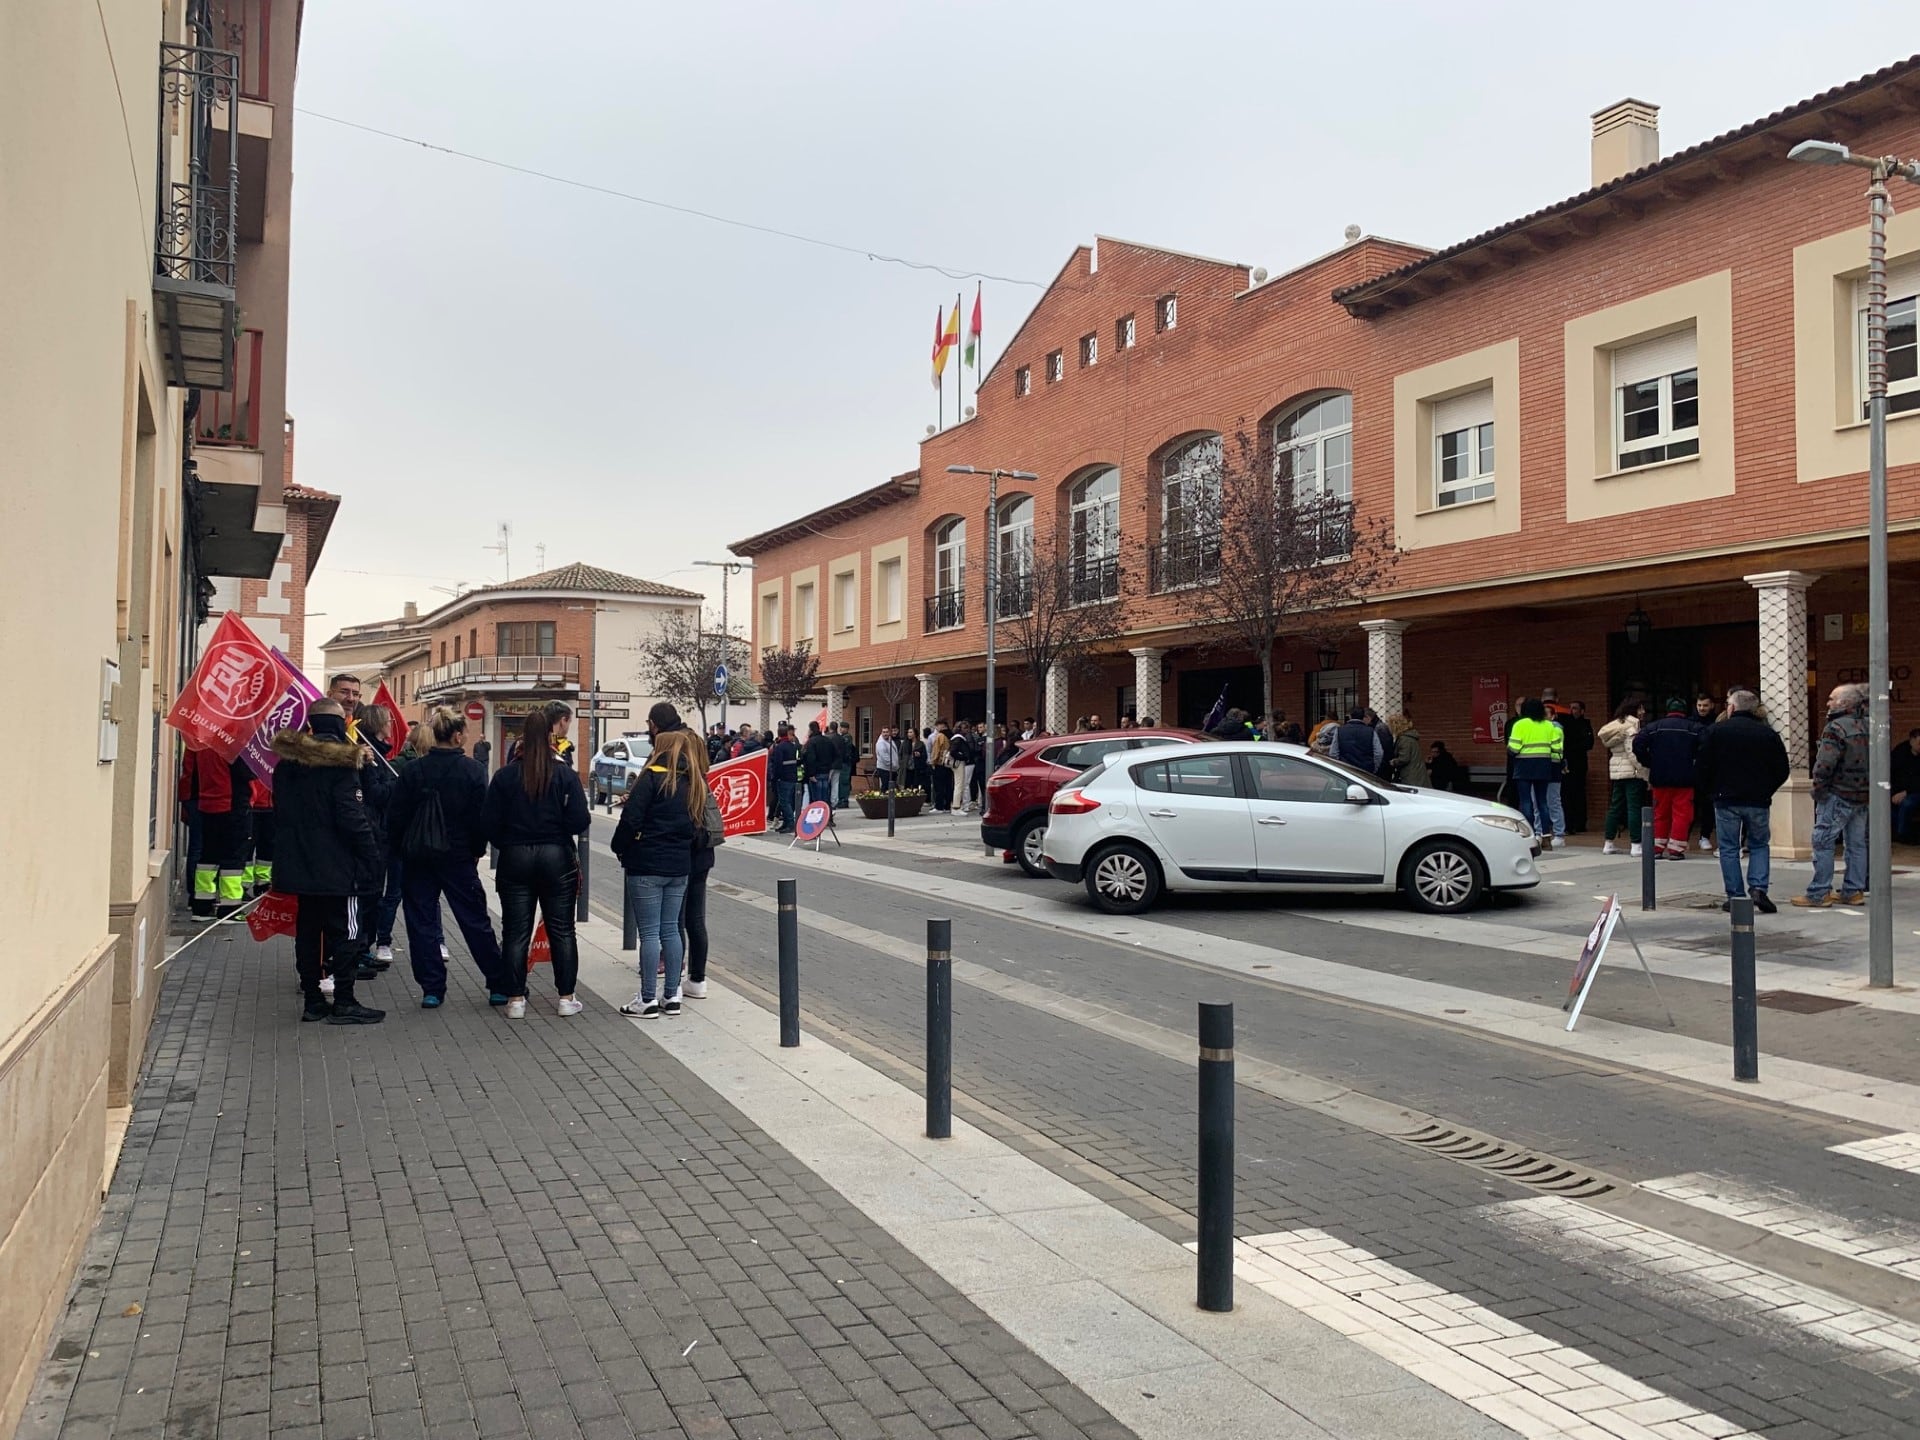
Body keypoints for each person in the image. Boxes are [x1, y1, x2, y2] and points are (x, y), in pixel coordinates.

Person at [271, 700, 384, 1025]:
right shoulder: (342, 764)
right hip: (340, 867)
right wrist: (371, 854)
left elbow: (280, 811)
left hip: (300, 865)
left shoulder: (287, 765)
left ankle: (313, 1000)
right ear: (337, 725)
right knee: (348, 930)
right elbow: (351, 816)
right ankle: (345, 1000)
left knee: (308, 931)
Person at [387, 707, 506, 1007]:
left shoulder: (413, 770)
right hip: (458, 855)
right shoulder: (473, 770)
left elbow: (395, 816)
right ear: (456, 735)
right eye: (465, 732)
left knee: (421, 922)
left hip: (418, 857)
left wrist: (401, 847)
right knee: (475, 920)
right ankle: (497, 983)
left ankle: (431, 988)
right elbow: (483, 818)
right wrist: (476, 850)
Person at [481, 709, 589, 1017]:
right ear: (550, 736)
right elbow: (580, 820)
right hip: (556, 856)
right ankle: (566, 998)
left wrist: (508, 842)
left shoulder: (504, 776)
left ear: (521, 738)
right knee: (562, 930)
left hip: (515, 858)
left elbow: (488, 823)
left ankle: (515, 999)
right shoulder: (565, 775)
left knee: (515, 931)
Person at [613, 727, 704, 1018]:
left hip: (647, 864)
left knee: (650, 932)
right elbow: (697, 826)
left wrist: (620, 847)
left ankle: (648, 998)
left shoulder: (651, 778)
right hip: (680, 866)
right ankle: (672, 996)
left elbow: (631, 819)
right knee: (671, 930)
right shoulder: (693, 783)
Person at [1695, 689, 1790, 914]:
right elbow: (1782, 769)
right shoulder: (1767, 734)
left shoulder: (1716, 731)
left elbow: (1702, 766)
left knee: (1729, 848)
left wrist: (1710, 791)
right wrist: (1766, 790)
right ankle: (1758, 887)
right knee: (1759, 844)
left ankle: (1735, 895)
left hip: (1725, 798)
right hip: (1757, 799)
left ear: (1732, 707)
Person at [1794, 682, 1872, 908]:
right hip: (1863, 794)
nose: (1828, 702)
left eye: (1831, 698)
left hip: (1838, 792)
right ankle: (1853, 890)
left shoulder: (1836, 727)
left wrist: (1818, 789)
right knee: (1856, 843)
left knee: (1823, 842)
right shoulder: (1869, 725)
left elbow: (1825, 763)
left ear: (1844, 703)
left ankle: (1819, 892)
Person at [181, 746, 254, 919]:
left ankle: (202, 906)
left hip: (208, 804)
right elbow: (247, 773)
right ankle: (230, 908)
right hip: (231, 805)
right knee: (233, 857)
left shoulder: (204, 746)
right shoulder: (231, 747)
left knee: (208, 856)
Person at [356, 705, 402, 971]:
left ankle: (366, 946)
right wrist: (397, 785)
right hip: (374, 833)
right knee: (369, 894)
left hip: (380, 832)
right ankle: (361, 949)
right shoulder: (368, 755)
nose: (391, 724)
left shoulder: (379, 754)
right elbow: (375, 794)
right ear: (376, 724)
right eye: (388, 720)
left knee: (375, 895)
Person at [1632, 698, 1704, 860]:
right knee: (1682, 813)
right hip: (1685, 778)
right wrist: (1696, 764)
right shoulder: (1694, 728)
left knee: (1660, 812)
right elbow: (1706, 747)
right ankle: (1676, 849)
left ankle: (1657, 848)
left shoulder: (1653, 727)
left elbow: (1638, 744)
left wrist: (1650, 762)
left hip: (1660, 777)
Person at [1506, 698, 1564, 843]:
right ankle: (1546, 837)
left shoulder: (1519, 724)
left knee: (1526, 802)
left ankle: (1530, 836)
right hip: (1543, 766)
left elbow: (1514, 748)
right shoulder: (1549, 726)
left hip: (1523, 767)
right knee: (1542, 802)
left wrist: (1513, 752)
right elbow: (1557, 749)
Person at [1597, 699, 1650, 856]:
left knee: (1615, 807)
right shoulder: (1632, 726)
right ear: (1634, 710)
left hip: (1617, 772)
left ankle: (1608, 842)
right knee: (1634, 807)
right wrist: (1645, 773)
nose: (1643, 712)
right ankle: (1636, 844)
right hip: (1632, 772)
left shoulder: (1616, 726)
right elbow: (1632, 752)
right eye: (1641, 709)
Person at [1690, 693, 1721, 852]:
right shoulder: (1690, 722)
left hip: (1710, 770)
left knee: (1708, 805)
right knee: (1690, 804)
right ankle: (1684, 837)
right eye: (1699, 705)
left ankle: (1705, 836)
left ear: (1712, 706)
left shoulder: (1717, 723)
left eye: (1705, 705)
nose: (1702, 708)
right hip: (1693, 769)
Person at [1559, 700, 1595, 834]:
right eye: (1571, 708)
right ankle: (1569, 824)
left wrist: (1574, 747)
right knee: (1567, 794)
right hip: (1567, 763)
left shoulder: (1585, 724)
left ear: (1582, 711)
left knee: (1579, 793)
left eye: (1575, 708)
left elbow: (1589, 744)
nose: (1572, 711)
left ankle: (1580, 823)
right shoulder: (1565, 724)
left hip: (1580, 763)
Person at [1331, 706, 1384, 773]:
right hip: (1366, 770)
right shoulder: (1371, 731)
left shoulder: (1340, 730)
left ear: (1350, 716)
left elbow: (1333, 753)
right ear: (1363, 717)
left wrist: (1339, 768)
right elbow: (1378, 753)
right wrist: (1374, 768)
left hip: (1345, 769)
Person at [769, 724, 800, 831]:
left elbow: (777, 765)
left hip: (783, 778)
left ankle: (790, 823)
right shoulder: (793, 746)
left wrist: (775, 778)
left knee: (784, 802)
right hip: (793, 776)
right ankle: (786, 823)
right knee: (788, 801)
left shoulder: (780, 747)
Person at [1894, 728, 1920, 844]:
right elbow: (1891, 774)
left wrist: (1906, 792)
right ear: (1911, 741)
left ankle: (1902, 835)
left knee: (1907, 803)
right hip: (1898, 791)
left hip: (1914, 791)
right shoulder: (1900, 752)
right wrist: (1893, 793)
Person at [802, 721, 836, 807]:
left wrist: (811, 773)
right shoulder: (827, 740)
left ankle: (818, 816)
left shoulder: (811, 742)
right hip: (826, 772)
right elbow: (834, 755)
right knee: (825, 797)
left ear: (811, 730)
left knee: (816, 798)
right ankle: (827, 815)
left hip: (816, 773)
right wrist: (830, 768)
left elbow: (811, 759)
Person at [1388, 714, 1427, 787]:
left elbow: (1404, 758)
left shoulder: (1404, 739)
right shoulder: (1409, 738)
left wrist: (1393, 762)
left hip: (1411, 776)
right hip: (1416, 773)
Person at [831, 721, 857, 809]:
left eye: (843, 728)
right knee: (841, 782)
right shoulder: (842, 737)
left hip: (846, 763)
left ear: (847, 729)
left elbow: (844, 750)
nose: (841, 729)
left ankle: (844, 800)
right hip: (843, 763)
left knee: (844, 782)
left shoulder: (847, 737)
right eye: (840, 727)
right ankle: (841, 800)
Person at [1366, 709, 1396, 780]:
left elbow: (1385, 749)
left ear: (1368, 717)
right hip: (1383, 765)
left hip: (1383, 766)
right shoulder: (1378, 727)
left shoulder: (1380, 728)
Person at [929, 723, 954, 811]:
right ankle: (947, 805)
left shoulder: (940, 736)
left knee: (939, 786)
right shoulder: (951, 736)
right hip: (948, 763)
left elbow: (936, 750)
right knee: (948, 785)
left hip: (939, 763)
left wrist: (933, 761)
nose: (936, 728)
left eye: (937, 726)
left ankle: (939, 806)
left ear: (942, 726)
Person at [873, 727, 899, 791]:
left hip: (892, 769)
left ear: (889, 733)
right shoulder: (881, 743)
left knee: (891, 787)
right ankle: (883, 799)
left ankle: (889, 800)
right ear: (881, 733)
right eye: (883, 732)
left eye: (887, 732)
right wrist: (893, 765)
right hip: (885, 769)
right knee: (885, 786)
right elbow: (885, 757)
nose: (885, 734)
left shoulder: (890, 741)